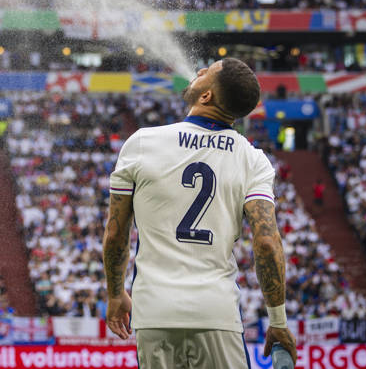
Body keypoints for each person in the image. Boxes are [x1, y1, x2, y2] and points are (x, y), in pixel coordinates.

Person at [102, 58, 297, 368]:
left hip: (155, 314)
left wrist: (115, 294)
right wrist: (277, 320)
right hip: (216, 314)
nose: (199, 71)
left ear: (207, 96)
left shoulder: (141, 143)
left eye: (207, 71)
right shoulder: (252, 159)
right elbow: (267, 242)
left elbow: (115, 233)